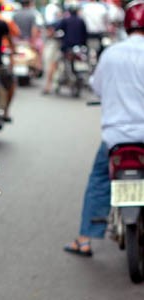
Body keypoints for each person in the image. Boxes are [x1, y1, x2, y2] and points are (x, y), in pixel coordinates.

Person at [64, 0, 144, 256]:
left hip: (117, 138)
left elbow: (97, 87)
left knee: (99, 180)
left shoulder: (111, 53)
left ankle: (85, 239)